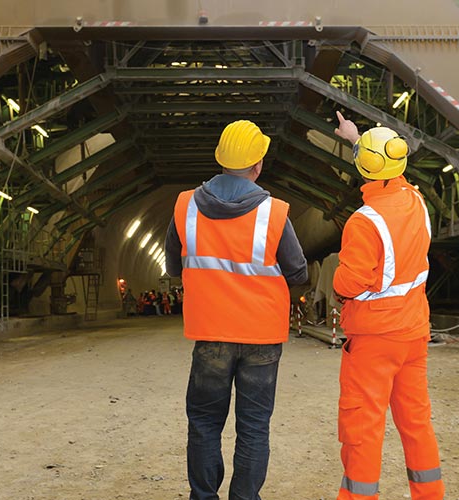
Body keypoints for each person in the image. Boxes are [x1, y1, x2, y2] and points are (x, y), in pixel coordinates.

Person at [165, 119, 308, 500]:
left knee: (204, 423)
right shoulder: (274, 213)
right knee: (254, 426)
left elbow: (172, 267)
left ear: (219, 159)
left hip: (210, 334)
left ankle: (204, 496)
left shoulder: (185, 206)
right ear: (258, 165)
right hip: (261, 338)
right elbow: (297, 270)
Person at [331, 111, 444, 500]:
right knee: (416, 422)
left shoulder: (364, 222)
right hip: (413, 334)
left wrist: (337, 281)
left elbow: (350, 281)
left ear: (363, 170)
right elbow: (383, 163)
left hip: (375, 339)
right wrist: (355, 137)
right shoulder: (415, 200)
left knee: (363, 426)